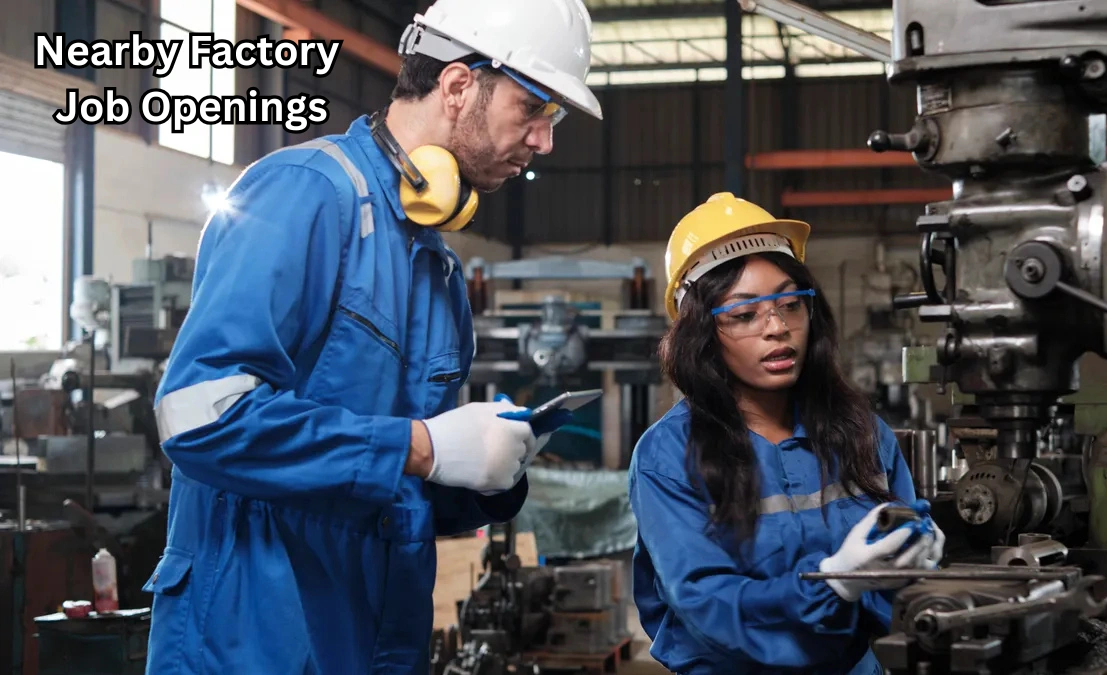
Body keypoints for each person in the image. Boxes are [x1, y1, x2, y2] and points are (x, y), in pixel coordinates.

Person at [140, 1, 602, 672]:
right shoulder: (303, 193)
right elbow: (200, 416)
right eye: (533, 109)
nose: (544, 141)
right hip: (253, 632)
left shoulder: (438, 268)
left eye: (553, 118)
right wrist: (420, 445)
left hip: (374, 634)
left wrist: (485, 472)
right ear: (457, 85)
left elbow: (396, 480)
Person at [628, 193, 946, 675]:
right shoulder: (668, 456)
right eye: (744, 314)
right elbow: (706, 603)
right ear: (701, 333)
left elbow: (899, 582)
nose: (777, 327)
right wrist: (833, 584)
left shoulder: (860, 432)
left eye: (790, 304)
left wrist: (915, 558)